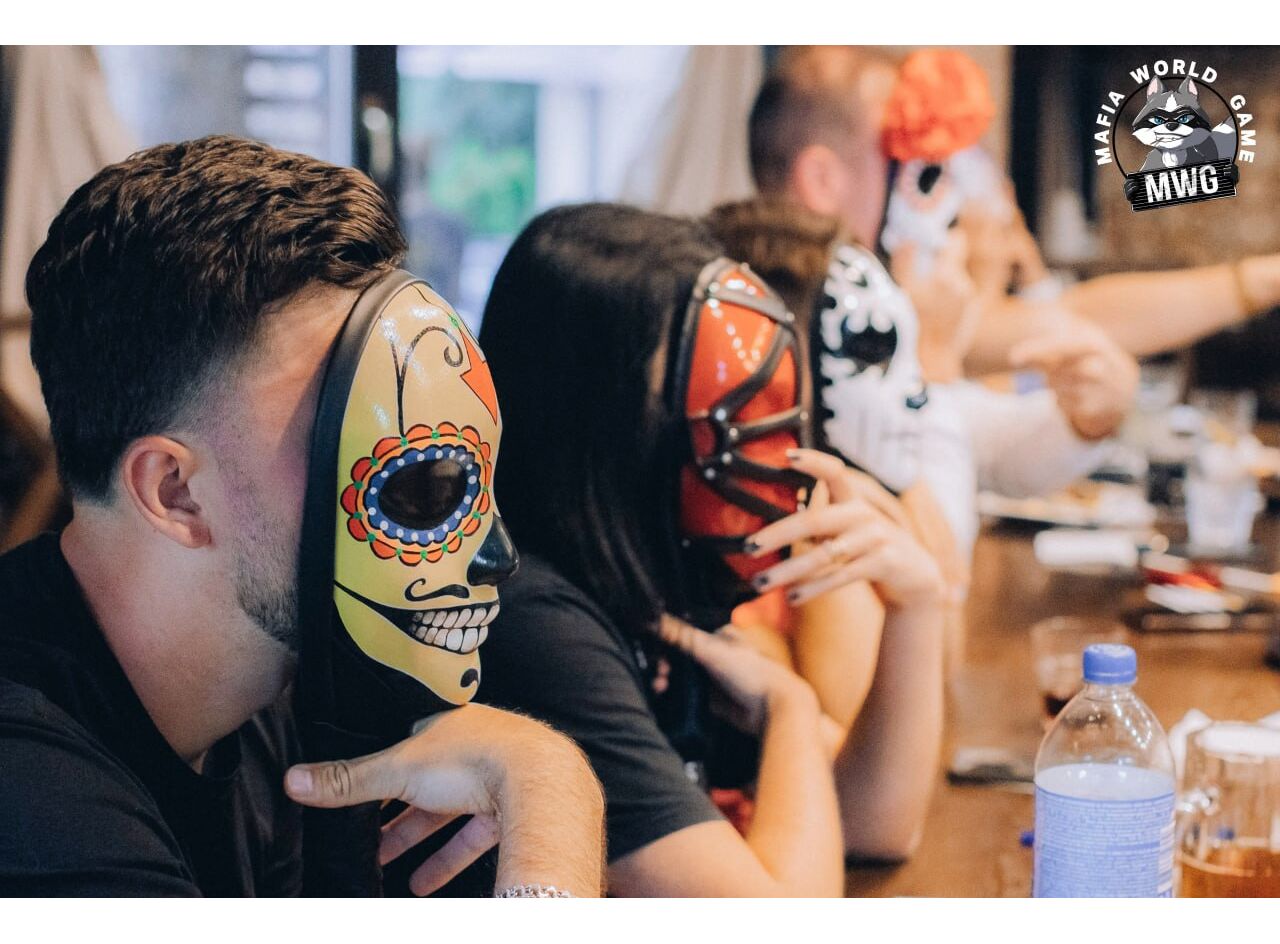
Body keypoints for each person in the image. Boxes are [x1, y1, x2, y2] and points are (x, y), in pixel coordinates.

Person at [0, 136, 605, 897]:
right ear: (176, 493)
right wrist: (556, 806)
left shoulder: (260, 698)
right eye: (410, 481)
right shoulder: (34, 810)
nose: (495, 555)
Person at [469, 203, 945, 896]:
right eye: (722, 405)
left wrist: (917, 608)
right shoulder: (535, 627)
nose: (769, 452)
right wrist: (789, 708)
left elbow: (874, 825)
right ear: (604, 414)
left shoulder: (647, 584)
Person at [747, 46, 1140, 557]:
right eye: (918, 173)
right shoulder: (786, 325)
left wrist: (1087, 420)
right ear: (823, 181)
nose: (942, 210)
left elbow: (986, 446)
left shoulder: (867, 301)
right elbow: (938, 565)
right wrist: (934, 361)